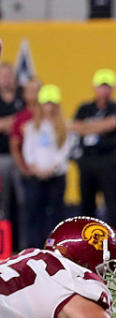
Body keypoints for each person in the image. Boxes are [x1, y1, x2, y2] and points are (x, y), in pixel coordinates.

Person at [72, 69, 116, 237]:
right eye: (101, 86)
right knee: (86, 206)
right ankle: (86, 244)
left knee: (112, 205)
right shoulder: (85, 108)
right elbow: (75, 127)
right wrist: (99, 127)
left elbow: (113, 123)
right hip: (87, 160)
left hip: (108, 160)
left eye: (107, 87)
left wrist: (88, 127)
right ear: (95, 88)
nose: (104, 90)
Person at [21, 85, 73, 249]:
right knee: (35, 213)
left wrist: (53, 167)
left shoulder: (64, 127)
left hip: (56, 176)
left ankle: (56, 247)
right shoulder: (32, 126)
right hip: (36, 176)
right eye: (46, 104)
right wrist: (34, 167)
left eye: (52, 104)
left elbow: (65, 150)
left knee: (56, 213)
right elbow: (28, 149)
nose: (48, 107)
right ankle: (34, 248)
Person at [9, 78, 40, 250]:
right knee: (26, 208)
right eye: (30, 90)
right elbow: (15, 145)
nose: (33, 94)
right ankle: (26, 247)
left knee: (45, 211)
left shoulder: (49, 114)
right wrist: (23, 167)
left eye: (36, 90)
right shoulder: (22, 117)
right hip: (28, 171)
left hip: (47, 172)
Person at [0, 63, 24, 249]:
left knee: (24, 201)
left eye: (9, 75)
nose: (6, 79)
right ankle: (7, 245)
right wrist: (16, 122)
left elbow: (31, 118)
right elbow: (22, 122)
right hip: (2, 156)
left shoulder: (22, 97)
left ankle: (24, 243)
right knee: (3, 203)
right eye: (3, 75)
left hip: (23, 158)